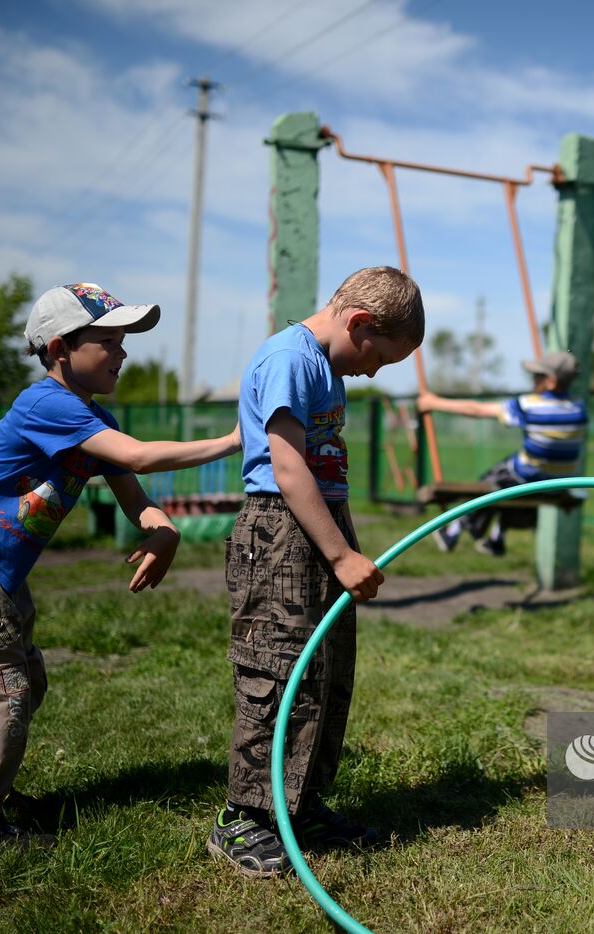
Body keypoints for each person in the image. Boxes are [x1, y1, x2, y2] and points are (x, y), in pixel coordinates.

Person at [0, 283, 242, 847]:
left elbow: (135, 497)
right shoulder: (47, 404)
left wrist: (164, 533)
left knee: (22, 682)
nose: (123, 352)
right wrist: (236, 439)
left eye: (123, 341)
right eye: (109, 341)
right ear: (61, 347)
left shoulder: (90, 418)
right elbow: (138, 455)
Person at [208, 266, 424, 878]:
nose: (375, 372)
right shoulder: (290, 358)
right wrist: (341, 554)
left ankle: (297, 806)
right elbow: (288, 467)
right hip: (279, 533)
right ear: (358, 323)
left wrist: (341, 541)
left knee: (325, 671)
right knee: (278, 671)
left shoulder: (325, 366)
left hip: (320, 523)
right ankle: (243, 817)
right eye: (379, 356)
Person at [417, 349, 587, 556]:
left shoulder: (530, 405)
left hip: (529, 478)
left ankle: (454, 530)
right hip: (558, 484)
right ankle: (497, 536)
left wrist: (434, 403)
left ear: (550, 382)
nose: (533, 379)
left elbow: (477, 410)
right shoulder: (579, 407)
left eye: (537, 376)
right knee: (512, 486)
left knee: (492, 482)